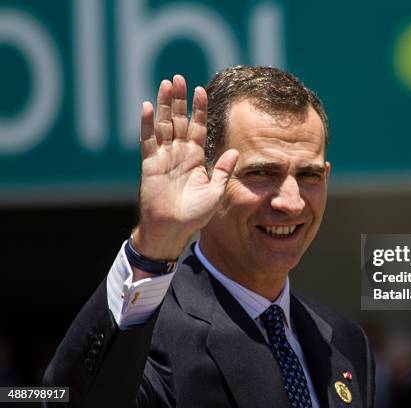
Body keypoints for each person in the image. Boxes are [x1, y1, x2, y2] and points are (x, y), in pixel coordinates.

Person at [43, 66, 375, 407]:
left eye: (309, 175)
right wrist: (154, 245)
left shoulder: (345, 343)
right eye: (261, 172)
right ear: (203, 174)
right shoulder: (150, 331)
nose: (290, 202)